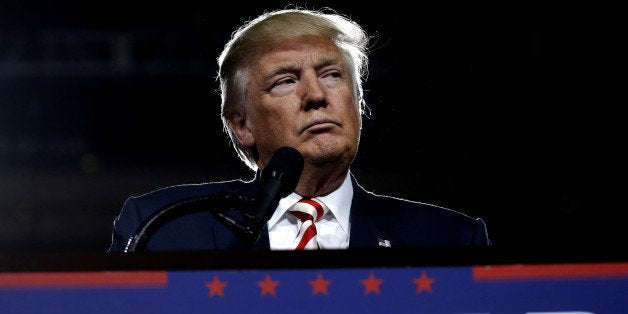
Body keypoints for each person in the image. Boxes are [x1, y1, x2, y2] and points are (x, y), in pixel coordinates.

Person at [108, 7, 491, 252]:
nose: (316, 95)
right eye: (285, 81)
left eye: (332, 75)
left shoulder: (449, 239)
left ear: (357, 104)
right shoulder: (164, 227)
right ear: (241, 125)